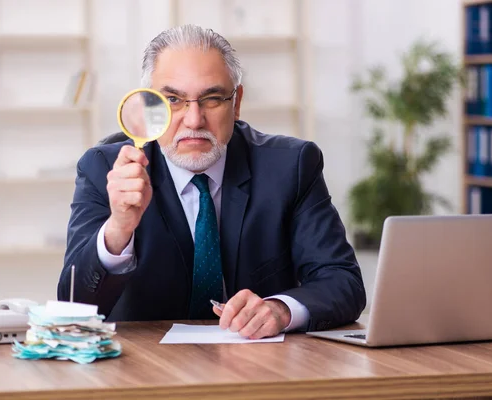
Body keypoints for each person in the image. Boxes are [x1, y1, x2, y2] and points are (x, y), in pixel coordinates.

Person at [58, 24, 366, 339]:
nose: (193, 120)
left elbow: (343, 282)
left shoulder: (292, 166)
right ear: (149, 106)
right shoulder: (104, 169)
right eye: (173, 100)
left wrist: (281, 309)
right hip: (146, 371)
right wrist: (118, 228)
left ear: (237, 103)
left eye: (212, 98)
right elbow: (74, 304)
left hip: (257, 369)